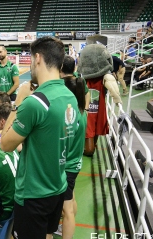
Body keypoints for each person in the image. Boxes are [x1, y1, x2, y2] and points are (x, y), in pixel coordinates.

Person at [0, 36, 81, 239]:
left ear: (37, 58)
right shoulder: (70, 96)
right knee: (48, 234)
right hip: (58, 187)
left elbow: (5, 144)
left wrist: (18, 103)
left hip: (32, 194)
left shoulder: (35, 102)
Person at [56, 75, 87, 239]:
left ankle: (65, 231)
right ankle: (63, 227)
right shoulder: (83, 111)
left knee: (66, 210)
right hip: (75, 164)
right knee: (71, 198)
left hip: (67, 166)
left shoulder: (71, 116)